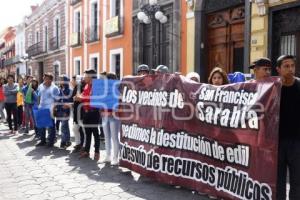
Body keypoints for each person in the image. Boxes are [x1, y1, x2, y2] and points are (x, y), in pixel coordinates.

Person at [276, 55, 300, 200]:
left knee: (296, 181)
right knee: (278, 180)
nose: (290, 69)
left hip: (297, 142)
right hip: (276, 142)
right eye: (286, 66)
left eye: (292, 65)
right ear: (278, 69)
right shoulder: (272, 89)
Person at [74, 69, 100, 161]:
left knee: (95, 133)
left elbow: (92, 98)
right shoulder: (86, 85)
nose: (84, 77)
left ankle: (97, 152)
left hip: (94, 112)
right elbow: (83, 95)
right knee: (87, 133)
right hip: (86, 112)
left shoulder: (96, 86)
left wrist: (80, 98)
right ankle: (87, 150)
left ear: (90, 77)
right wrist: (78, 97)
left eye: (85, 76)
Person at [102, 72, 121, 165]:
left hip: (114, 117)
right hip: (105, 116)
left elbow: (119, 103)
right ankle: (108, 156)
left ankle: (115, 158)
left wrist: (113, 111)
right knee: (106, 137)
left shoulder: (116, 90)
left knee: (114, 137)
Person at [36, 73, 60, 147]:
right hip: (41, 108)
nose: (44, 80)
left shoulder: (55, 88)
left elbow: (57, 100)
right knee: (41, 125)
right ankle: (42, 140)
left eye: (46, 78)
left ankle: (51, 141)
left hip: (50, 109)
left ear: (51, 79)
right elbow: (39, 96)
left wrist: (54, 108)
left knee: (50, 126)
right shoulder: (41, 86)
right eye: (44, 78)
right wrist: (38, 105)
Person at [55, 75, 73, 149]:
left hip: (65, 111)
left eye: (62, 80)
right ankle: (67, 141)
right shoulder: (60, 89)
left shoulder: (69, 90)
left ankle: (63, 142)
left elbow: (69, 101)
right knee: (65, 127)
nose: (60, 81)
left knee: (63, 127)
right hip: (59, 110)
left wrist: (66, 111)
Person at [71, 75, 85, 152]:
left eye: (73, 80)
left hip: (82, 111)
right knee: (75, 129)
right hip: (77, 111)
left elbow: (82, 98)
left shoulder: (82, 87)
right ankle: (78, 144)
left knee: (83, 130)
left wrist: (77, 98)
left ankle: (83, 145)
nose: (72, 82)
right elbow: (74, 98)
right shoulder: (76, 87)